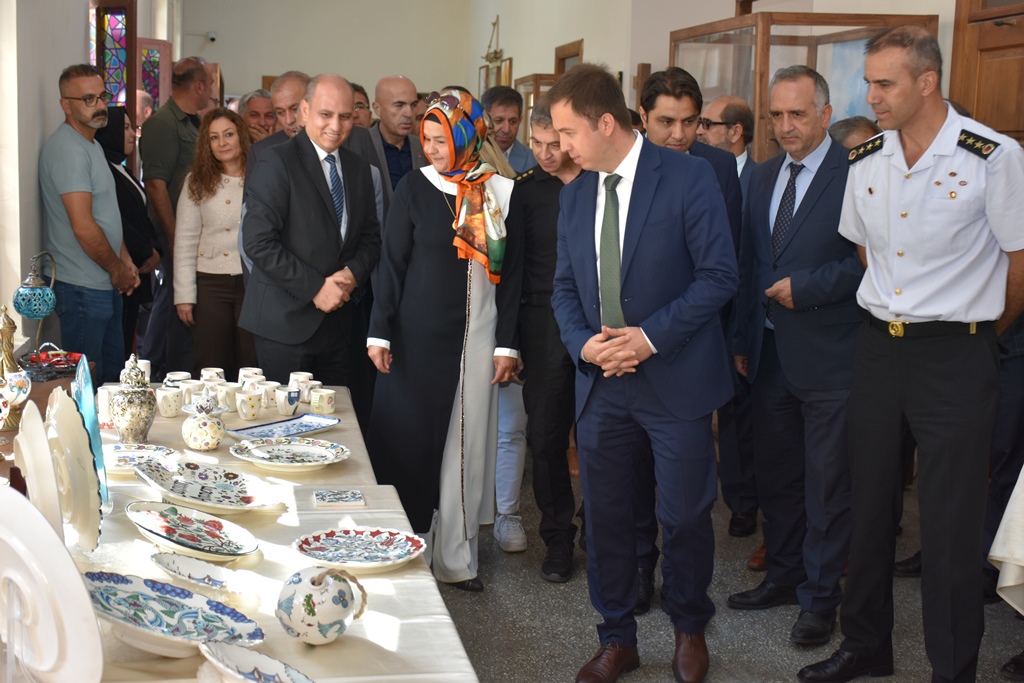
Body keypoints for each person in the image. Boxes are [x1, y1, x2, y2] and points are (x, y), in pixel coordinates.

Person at [799, 26, 1024, 683]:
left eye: (884, 83)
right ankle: (866, 645)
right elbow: (864, 247)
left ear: (927, 82)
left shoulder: (992, 156)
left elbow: (1019, 261)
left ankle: (952, 668)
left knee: (951, 522)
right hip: (878, 348)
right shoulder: (867, 156)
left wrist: (978, 331)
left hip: (956, 353)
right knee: (868, 505)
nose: (870, 95)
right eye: (868, 82)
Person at [549, 63, 737, 683]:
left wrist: (648, 339)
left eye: (568, 133)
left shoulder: (687, 176)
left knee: (684, 516)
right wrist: (586, 346)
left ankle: (689, 628)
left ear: (605, 123)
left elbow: (719, 276)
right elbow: (564, 288)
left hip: (676, 381)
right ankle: (616, 637)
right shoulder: (575, 194)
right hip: (603, 386)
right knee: (605, 519)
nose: (562, 147)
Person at [727, 65, 861, 648]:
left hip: (832, 355)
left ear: (825, 115)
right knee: (776, 475)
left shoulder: (857, 173)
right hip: (768, 353)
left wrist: (806, 288)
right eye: (776, 115)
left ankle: (820, 599)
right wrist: (740, 339)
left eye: (797, 114)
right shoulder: (761, 176)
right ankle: (782, 576)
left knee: (826, 486)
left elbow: (871, 263)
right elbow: (747, 263)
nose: (785, 126)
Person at [366, 89, 522, 592]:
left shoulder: (502, 191)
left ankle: (456, 560)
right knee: (411, 443)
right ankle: (408, 553)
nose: (431, 149)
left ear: (468, 136)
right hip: (416, 338)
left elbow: (514, 277)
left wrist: (507, 344)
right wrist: (379, 330)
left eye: (441, 139)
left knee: (465, 447)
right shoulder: (415, 187)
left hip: (479, 336)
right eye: (427, 139)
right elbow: (391, 265)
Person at [631, 66, 746, 616]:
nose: (679, 135)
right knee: (632, 484)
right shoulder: (622, 168)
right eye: (666, 122)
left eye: (690, 122)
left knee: (687, 500)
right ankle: (638, 571)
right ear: (642, 117)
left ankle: (685, 597)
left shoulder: (716, 168)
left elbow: (726, 263)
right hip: (627, 352)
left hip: (690, 350)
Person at [239, 74, 381, 394]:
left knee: (336, 420)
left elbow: (371, 238)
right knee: (285, 422)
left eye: (345, 116)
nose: (336, 125)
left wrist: (351, 274)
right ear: (305, 111)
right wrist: (316, 288)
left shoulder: (359, 168)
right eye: (325, 114)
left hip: (341, 325)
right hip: (284, 324)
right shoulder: (275, 161)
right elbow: (258, 243)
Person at [514, 98, 582, 582]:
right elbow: (512, 273)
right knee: (545, 437)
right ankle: (558, 538)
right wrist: (510, 342)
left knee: (603, 438)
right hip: (541, 325)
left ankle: (600, 528)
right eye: (536, 144)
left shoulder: (598, 183)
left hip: (596, 323)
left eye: (553, 144)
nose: (544, 154)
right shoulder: (526, 193)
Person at [40, 64, 140, 384]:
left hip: (102, 281)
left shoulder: (93, 145)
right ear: (66, 105)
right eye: (88, 99)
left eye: (102, 96)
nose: (99, 105)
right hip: (80, 287)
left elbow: (105, 214)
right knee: (86, 389)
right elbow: (83, 226)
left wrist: (124, 260)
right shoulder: (67, 149)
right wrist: (117, 269)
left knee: (110, 382)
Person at [139, 55, 213, 380]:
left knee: (175, 298)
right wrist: (173, 236)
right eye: (209, 84)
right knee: (175, 298)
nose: (211, 91)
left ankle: (167, 365)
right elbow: (156, 185)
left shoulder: (192, 122)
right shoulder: (163, 124)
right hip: (174, 230)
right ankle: (157, 367)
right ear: (198, 86)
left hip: (193, 231)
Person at [174, 108, 257, 379]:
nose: (222, 143)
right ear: (206, 144)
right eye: (214, 137)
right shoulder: (196, 181)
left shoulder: (262, 176)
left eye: (228, 134)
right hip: (210, 283)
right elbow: (184, 241)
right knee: (211, 364)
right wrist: (184, 296)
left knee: (251, 364)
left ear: (241, 135)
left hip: (252, 282)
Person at [93, 106, 160, 360]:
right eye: (125, 128)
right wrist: (146, 252)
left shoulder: (120, 168)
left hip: (138, 265)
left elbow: (141, 215)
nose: (133, 134)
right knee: (118, 347)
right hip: (125, 269)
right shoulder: (106, 171)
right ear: (108, 132)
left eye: (132, 127)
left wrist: (155, 249)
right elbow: (118, 220)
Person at [370, 75, 427, 202]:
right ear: (377, 109)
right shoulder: (362, 146)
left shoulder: (425, 148)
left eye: (413, 105)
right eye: (399, 105)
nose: (409, 113)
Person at [699, 95, 757, 204]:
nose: (699, 131)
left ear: (735, 132)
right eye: (700, 123)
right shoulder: (694, 171)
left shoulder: (760, 181)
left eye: (707, 124)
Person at [481, 85, 536, 173]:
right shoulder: (469, 158)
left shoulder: (534, 161)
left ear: (520, 120)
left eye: (513, 121)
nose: (506, 129)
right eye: (499, 121)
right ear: (484, 119)